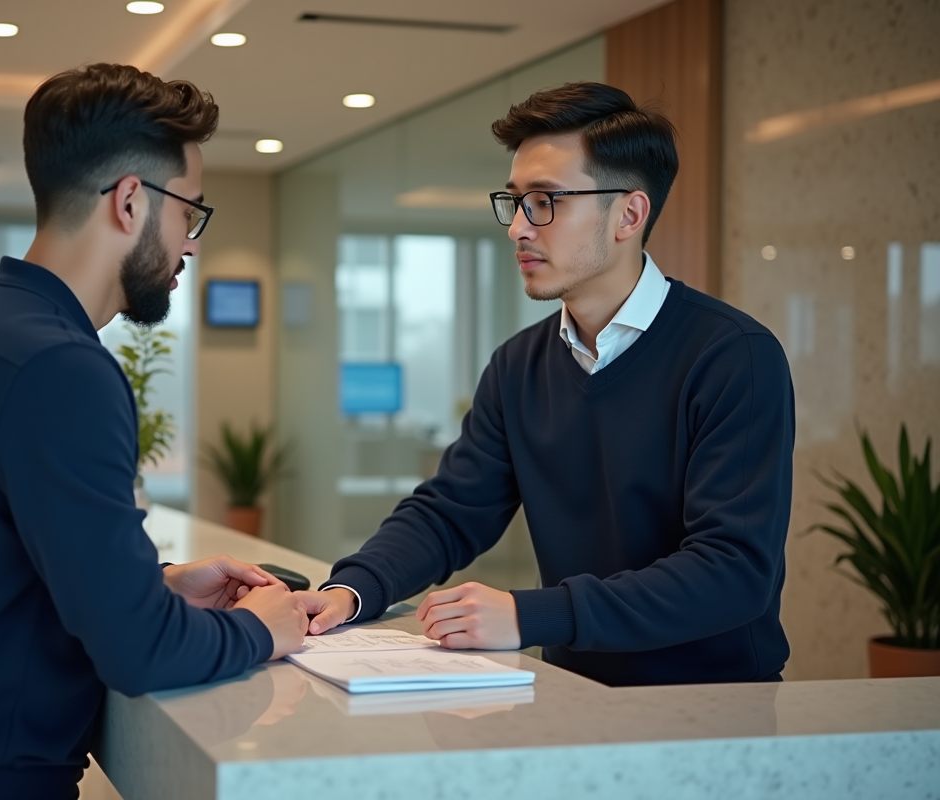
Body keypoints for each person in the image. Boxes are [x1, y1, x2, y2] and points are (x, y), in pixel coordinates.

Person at [0, 64, 309, 799]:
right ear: (130, 201)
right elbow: (138, 653)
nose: (191, 245)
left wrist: (154, 586)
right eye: (192, 213)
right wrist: (264, 628)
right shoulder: (62, 367)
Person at [303, 82, 795, 687]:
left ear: (629, 214)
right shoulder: (519, 365)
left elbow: (733, 571)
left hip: (715, 709)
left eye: (545, 201)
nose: (518, 229)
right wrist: (352, 589)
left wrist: (529, 613)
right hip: (571, 693)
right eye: (515, 202)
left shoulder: (732, 357)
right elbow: (450, 512)